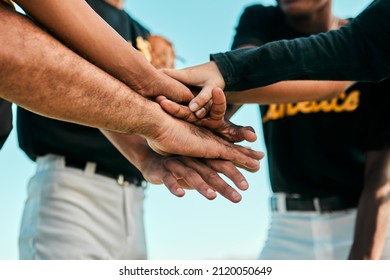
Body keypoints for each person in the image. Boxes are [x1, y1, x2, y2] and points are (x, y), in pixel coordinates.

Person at [0, 2, 263, 171]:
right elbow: (12, 50)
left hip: (134, 182)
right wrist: (150, 84)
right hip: (71, 174)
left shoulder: (145, 35)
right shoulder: (74, 12)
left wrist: (146, 146)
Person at [227, 0, 390, 260]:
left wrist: (363, 261)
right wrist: (190, 125)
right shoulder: (263, 22)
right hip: (288, 226)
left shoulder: (368, 41)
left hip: (363, 217)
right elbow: (238, 71)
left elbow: (380, 173)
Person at [161, 0, 390, 116]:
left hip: (357, 199)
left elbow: (380, 157)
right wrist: (200, 124)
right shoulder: (261, 20)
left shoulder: (366, 43)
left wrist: (195, 91)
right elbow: (244, 62)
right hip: (284, 204)